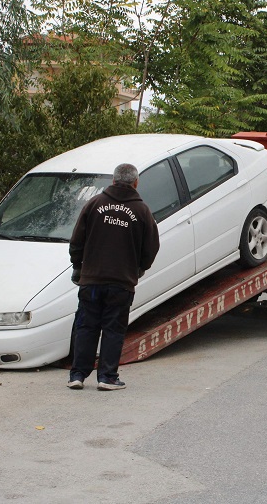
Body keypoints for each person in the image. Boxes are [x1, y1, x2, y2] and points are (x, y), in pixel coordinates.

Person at [67, 163, 160, 391]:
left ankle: (77, 375)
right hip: (121, 282)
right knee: (113, 329)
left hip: (91, 280)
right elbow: (151, 247)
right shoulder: (142, 211)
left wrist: (78, 266)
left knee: (86, 326)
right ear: (136, 182)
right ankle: (107, 377)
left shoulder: (95, 204)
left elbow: (77, 240)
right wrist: (140, 268)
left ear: (113, 180)